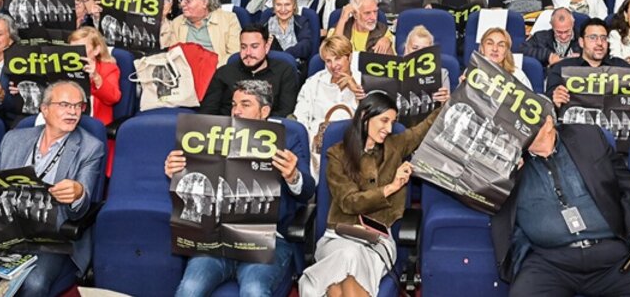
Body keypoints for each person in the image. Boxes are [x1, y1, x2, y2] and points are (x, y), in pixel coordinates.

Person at [0, 81, 105, 297]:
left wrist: (77, 193)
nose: (73, 112)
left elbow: (81, 209)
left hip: (51, 237)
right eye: (65, 105)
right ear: (44, 109)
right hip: (4, 232)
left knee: (34, 285)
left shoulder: (90, 147)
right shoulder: (14, 139)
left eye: (78, 106)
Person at [165, 81, 314, 297]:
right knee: (190, 288)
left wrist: (293, 176)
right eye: (234, 104)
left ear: (264, 111)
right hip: (217, 239)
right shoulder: (212, 134)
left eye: (245, 104)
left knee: (254, 290)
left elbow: (307, 190)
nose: (236, 111)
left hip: (268, 240)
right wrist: (177, 173)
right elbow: (193, 190)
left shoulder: (288, 137)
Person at [491, 113, 630, 297]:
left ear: (548, 123)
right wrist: (506, 173)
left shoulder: (588, 137)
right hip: (549, 260)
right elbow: (477, 189)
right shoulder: (505, 155)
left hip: (610, 255)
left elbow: (627, 186)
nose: (522, 132)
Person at [299, 93, 443, 296]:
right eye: (384, 120)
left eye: (392, 122)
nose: (389, 129)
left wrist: (456, 96)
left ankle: (312, 285)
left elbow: (425, 128)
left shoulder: (395, 145)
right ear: (365, 116)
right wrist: (391, 187)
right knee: (346, 265)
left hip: (378, 240)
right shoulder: (337, 154)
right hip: (339, 237)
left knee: (339, 282)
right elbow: (349, 202)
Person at [293, 35, 366, 177]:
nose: (333, 65)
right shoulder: (314, 82)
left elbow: (372, 118)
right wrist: (310, 140)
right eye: (328, 61)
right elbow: (300, 116)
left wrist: (356, 90)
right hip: (316, 147)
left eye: (338, 58)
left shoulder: (364, 81)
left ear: (349, 57)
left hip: (352, 144)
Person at [161, 0, 243, 67]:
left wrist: (209, 69)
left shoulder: (228, 19)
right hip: (186, 71)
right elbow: (172, 55)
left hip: (219, 70)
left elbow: (234, 54)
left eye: (188, 0)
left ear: (204, 2)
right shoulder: (177, 22)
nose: (182, 4)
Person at [67, 27, 122, 126]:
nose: (76, 54)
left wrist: (96, 77)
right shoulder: (66, 67)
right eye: (72, 49)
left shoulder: (108, 68)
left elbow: (113, 98)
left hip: (93, 123)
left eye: (81, 48)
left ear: (96, 50)